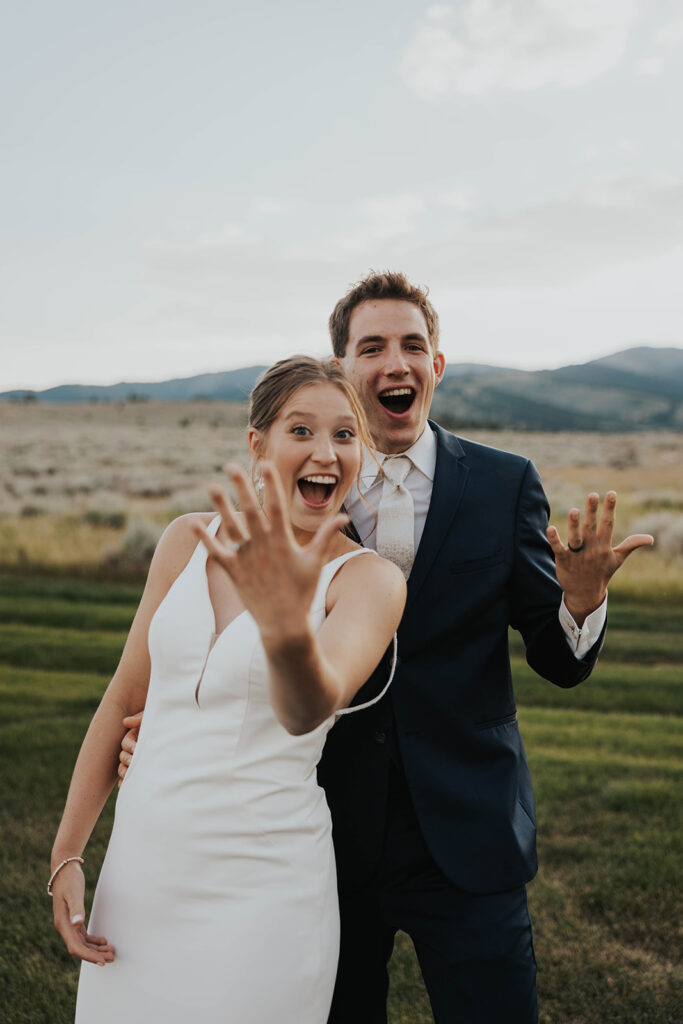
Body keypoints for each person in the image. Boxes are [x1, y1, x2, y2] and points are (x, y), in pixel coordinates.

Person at [119, 273, 653, 1024]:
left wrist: (580, 601)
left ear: (436, 367)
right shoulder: (308, 485)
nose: (394, 362)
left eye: (412, 346)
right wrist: (177, 728)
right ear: (342, 369)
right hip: (321, 833)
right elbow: (227, 638)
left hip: (469, 832)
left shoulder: (504, 485)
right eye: (371, 347)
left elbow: (558, 663)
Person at [49, 356, 406, 1024]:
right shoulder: (186, 539)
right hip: (140, 880)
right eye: (301, 431)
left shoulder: (370, 582)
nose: (324, 453)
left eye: (343, 435)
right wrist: (67, 852)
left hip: (262, 894)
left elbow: (309, 708)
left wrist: (283, 630)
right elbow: (124, 699)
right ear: (257, 444)